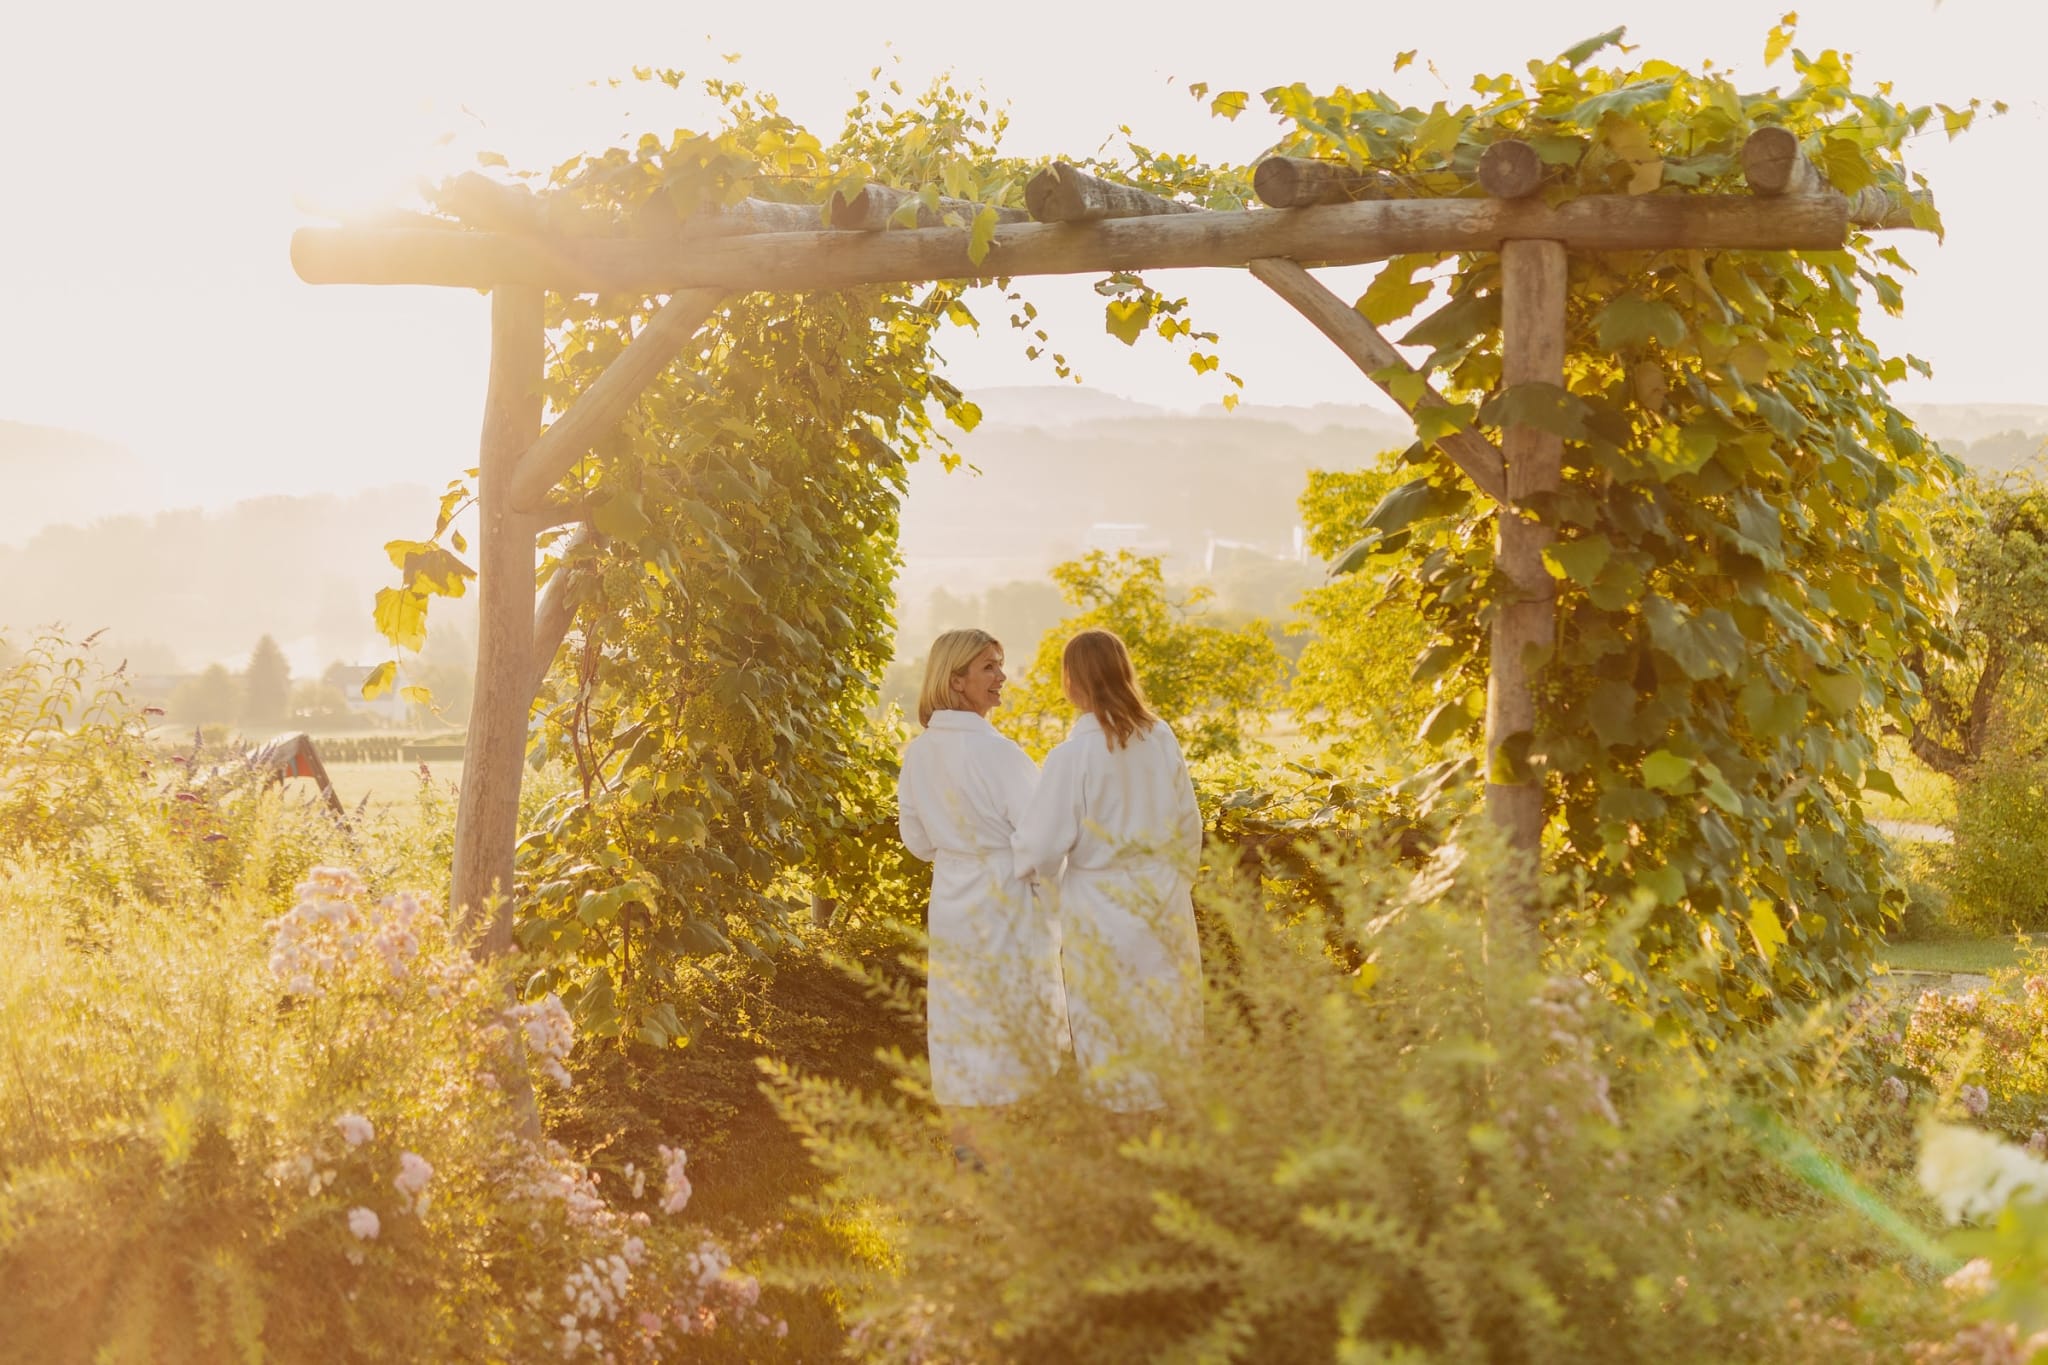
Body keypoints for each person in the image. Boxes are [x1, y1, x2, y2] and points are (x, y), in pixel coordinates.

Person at [1014, 627, 1202, 1112]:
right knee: (1167, 1021)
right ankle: (1172, 1146)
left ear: (1073, 680)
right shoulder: (1160, 738)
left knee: (1111, 1027)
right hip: (1163, 900)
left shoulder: (1072, 756)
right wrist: (1175, 882)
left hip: (1101, 909)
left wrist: (1037, 880)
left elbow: (1038, 847)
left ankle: (1124, 1149)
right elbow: (1189, 824)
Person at [897, 628, 1068, 1154]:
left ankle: (971, 1153)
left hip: (952, 902)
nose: (1002, 678)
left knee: (961, 1025)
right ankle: (1016, 1153)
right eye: (989, 668)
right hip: (1006, 902)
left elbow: (918, 842)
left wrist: (960, 853)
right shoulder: (1001, 755)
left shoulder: (919, 754)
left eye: (1001, 664)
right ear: (956, 681)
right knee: (1014, 1018)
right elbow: (1044, 839)